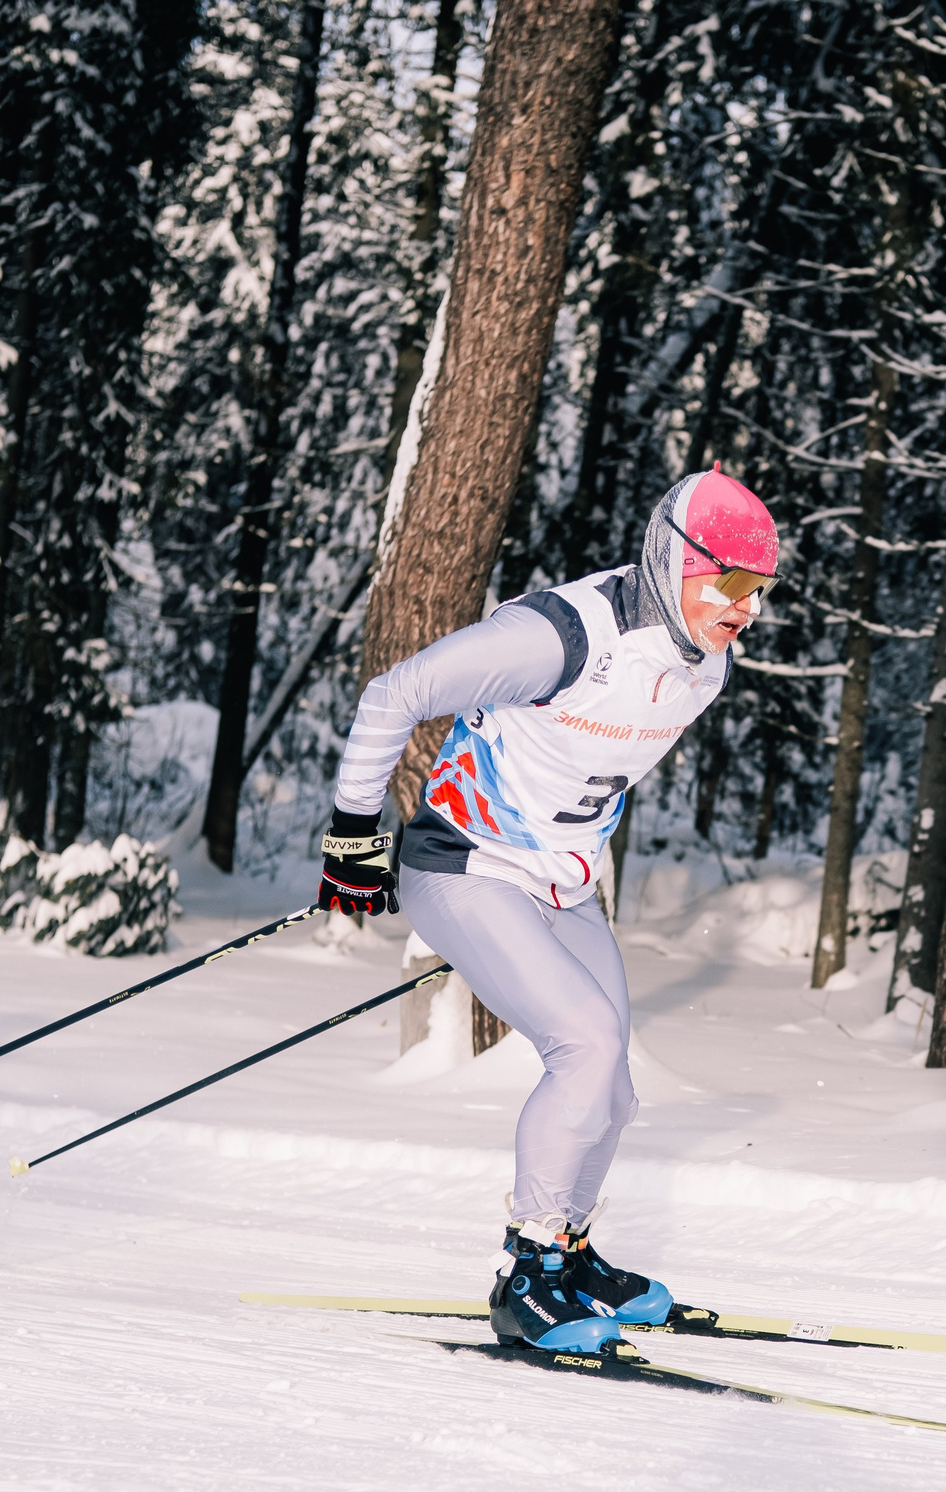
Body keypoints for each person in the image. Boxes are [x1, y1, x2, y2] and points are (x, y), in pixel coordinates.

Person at [318, 467, 779, 1352]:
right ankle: (526, 1279)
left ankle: (567, 1252)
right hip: (464, 864)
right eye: (727, 580)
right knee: (587, 1043)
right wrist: (351, 834)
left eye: (757, 587)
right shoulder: (560, 637)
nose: (744, 606)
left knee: (613, 1085)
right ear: (671, 559)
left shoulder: (707, 663)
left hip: (562, 881)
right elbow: (394, 694)